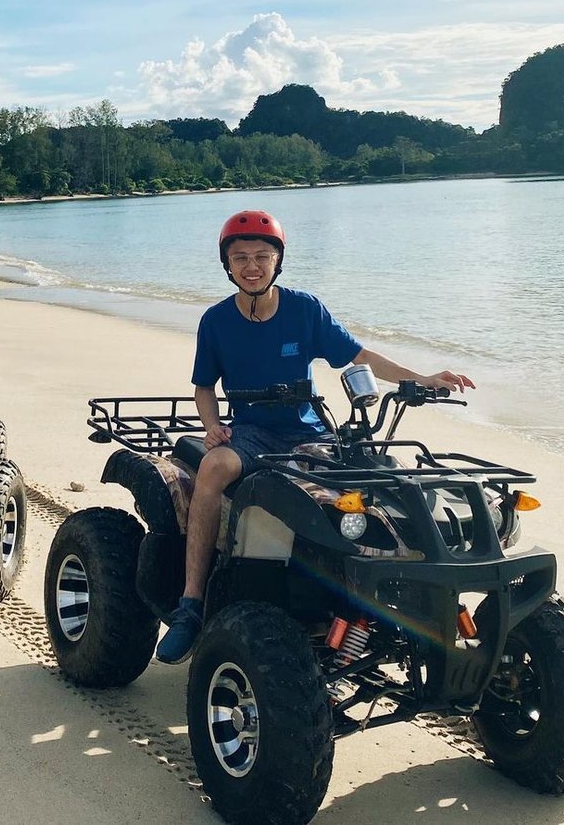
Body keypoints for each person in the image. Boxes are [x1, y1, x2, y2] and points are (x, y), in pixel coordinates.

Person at [154, 209, 476, 665]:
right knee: (213, 468)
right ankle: (190, 604)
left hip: (312, 432)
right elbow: (204, 387)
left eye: (262, 256)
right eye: (240, 257)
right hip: (253, 434)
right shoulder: (215, 321)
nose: (251, 266)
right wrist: (211, 427)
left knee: (380, 483)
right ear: (227, 265)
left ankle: (401, 599)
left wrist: (423, 378)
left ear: (277, 261)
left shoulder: (306, 309)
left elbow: (358, 355)